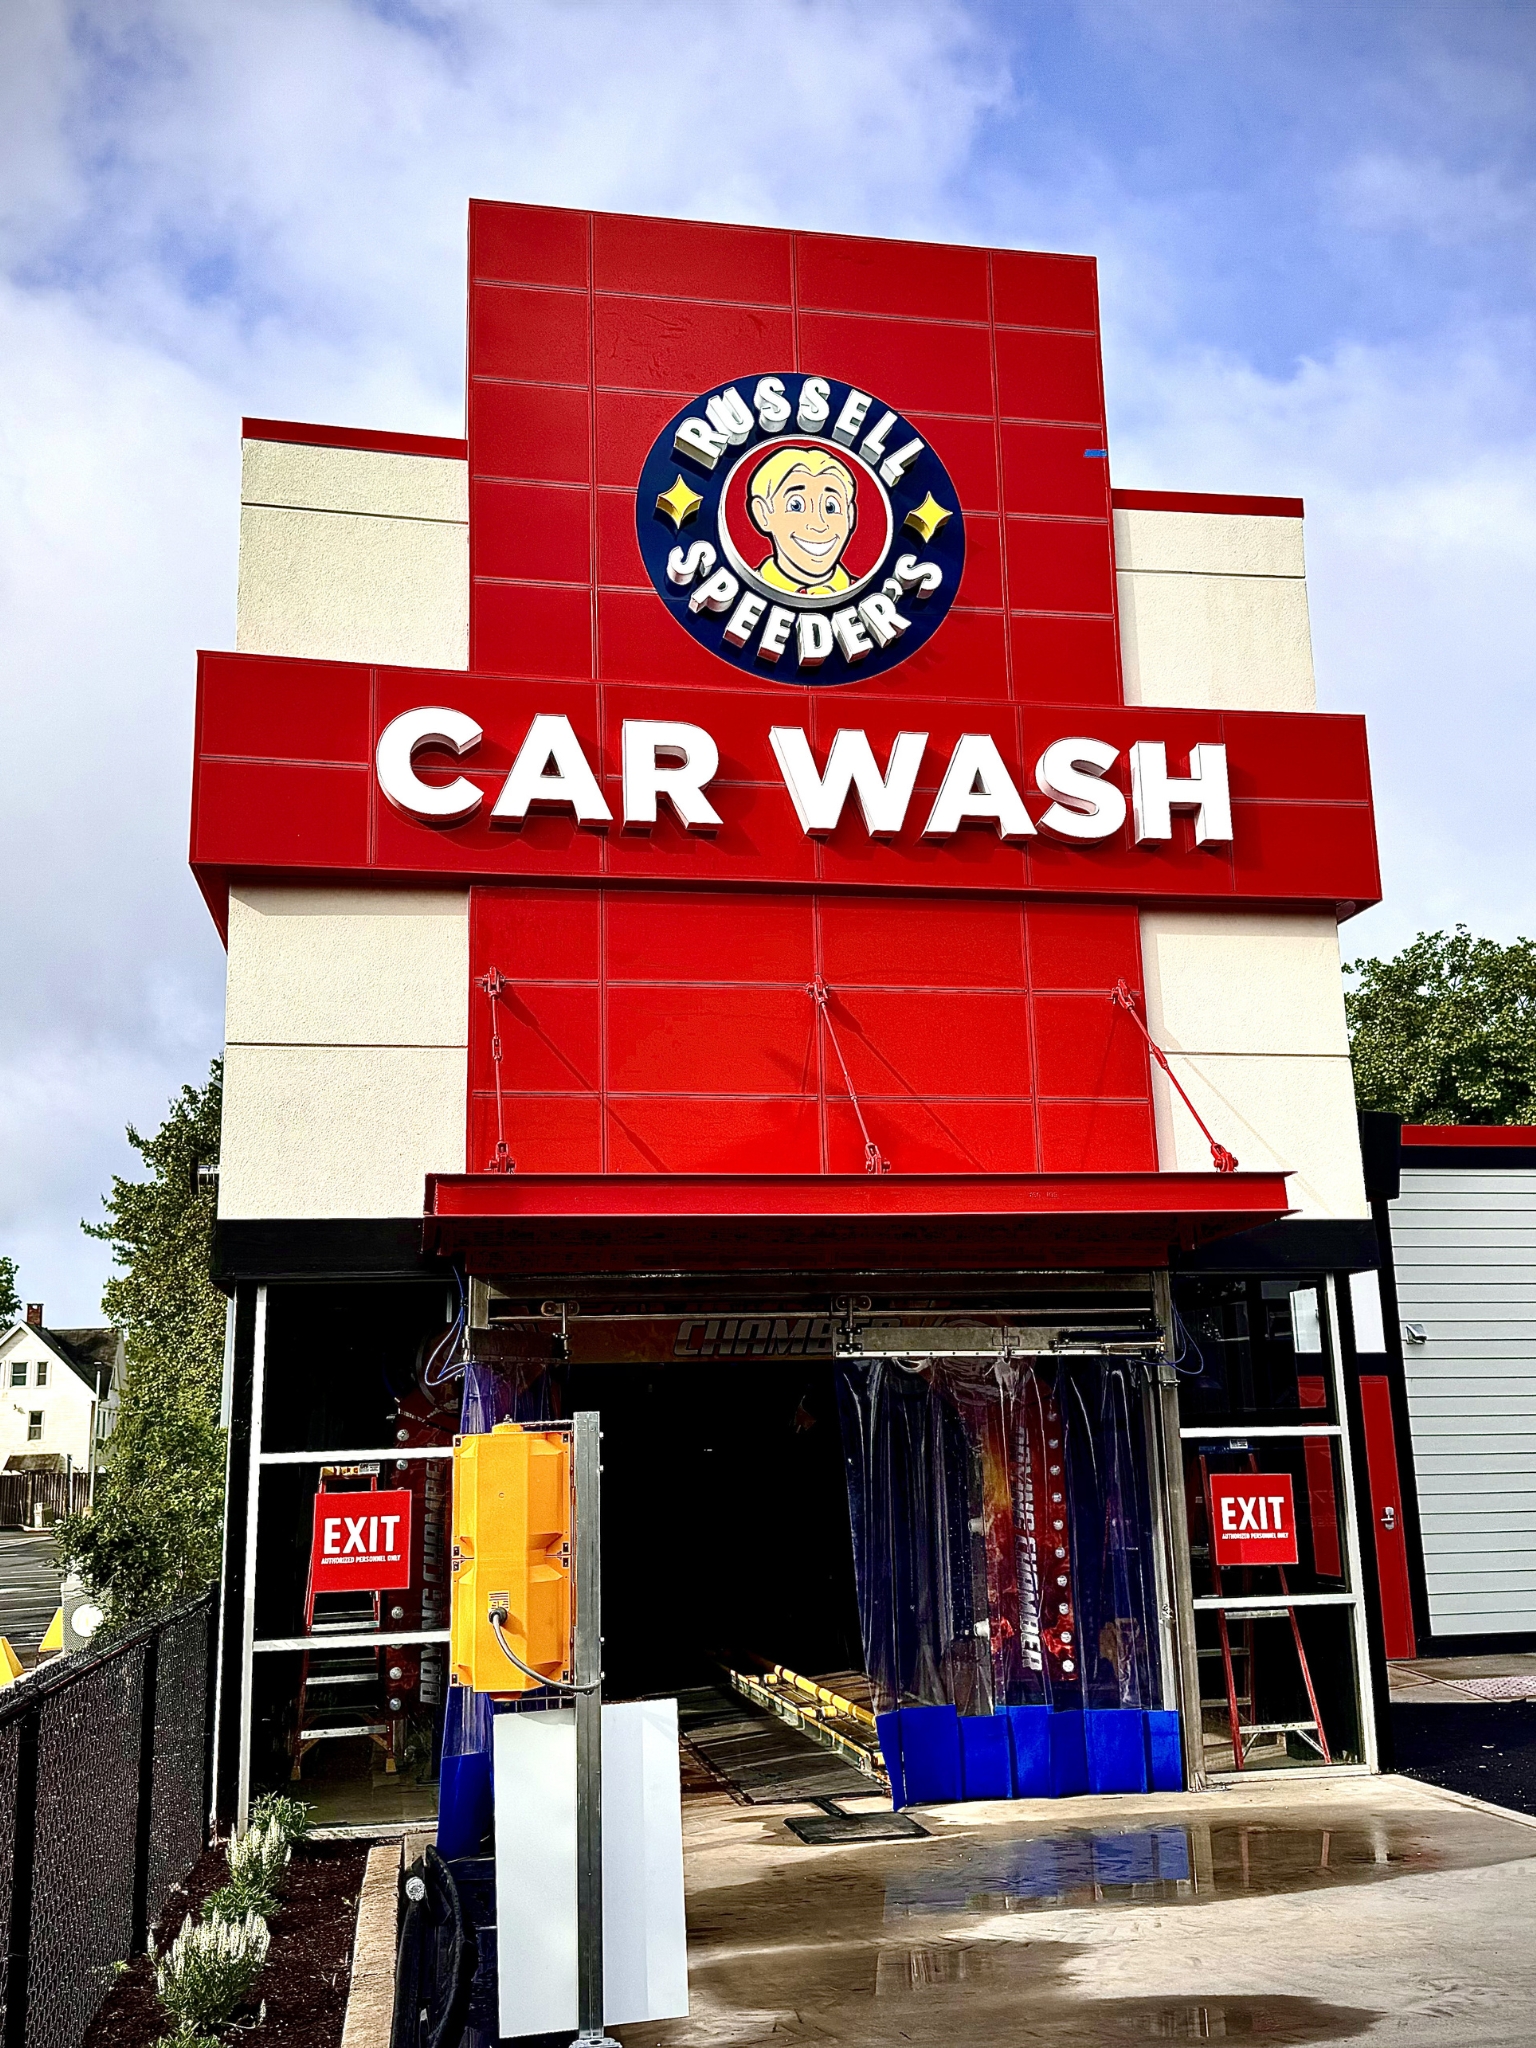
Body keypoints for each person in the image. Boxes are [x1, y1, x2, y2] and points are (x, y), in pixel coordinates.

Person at [748, 444, 858, 596]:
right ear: (763, 514)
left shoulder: (866, 591)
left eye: (831, 507)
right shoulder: (746, 586)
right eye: (796, 505)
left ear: (850, 515)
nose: (818, 524)